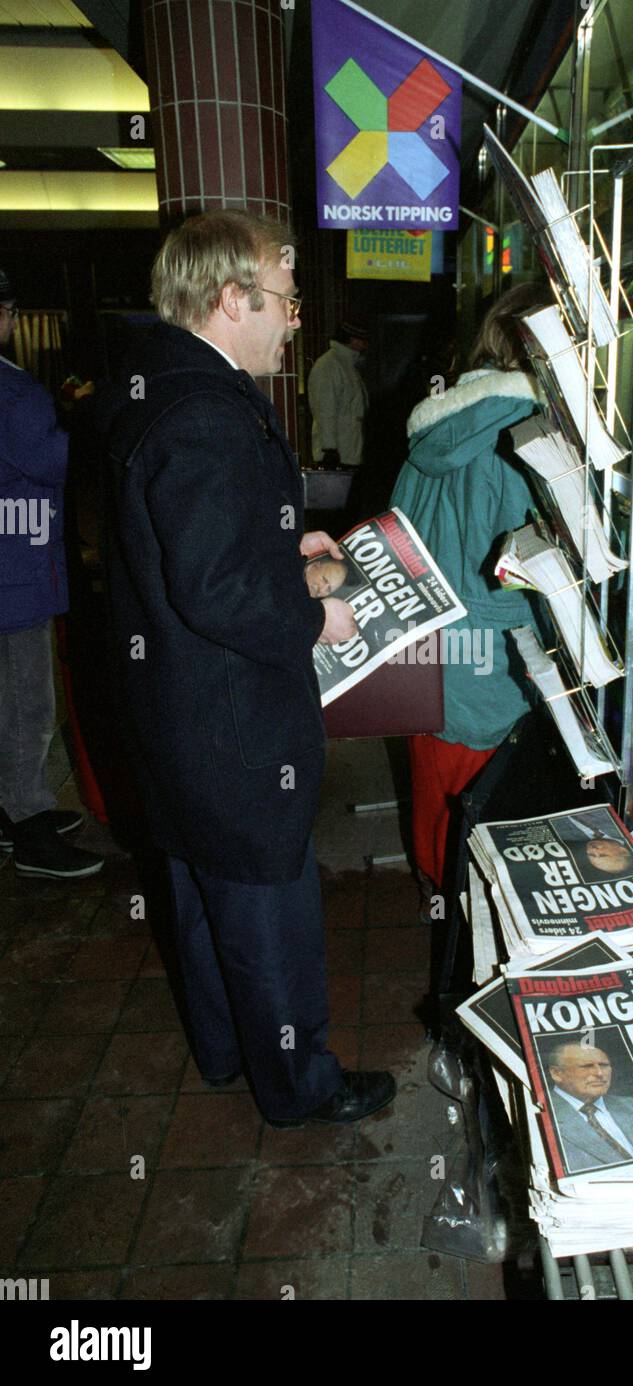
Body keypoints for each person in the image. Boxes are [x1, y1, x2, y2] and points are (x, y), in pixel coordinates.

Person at [95, 211, 395, 1128]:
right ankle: (300, 1089)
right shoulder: (208, 410)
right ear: (233, 299)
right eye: (285, 299)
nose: (294, 319)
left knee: (197, 890)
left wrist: (281, 545)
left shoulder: (148, 386)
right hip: (233, 726)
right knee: (269, 915)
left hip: (176, 710)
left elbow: (187, 550)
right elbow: (220, 592)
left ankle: (227, 1053)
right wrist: (313, 610)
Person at [390, 282, 552, 893]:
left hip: (426, 653)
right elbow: (535, 570)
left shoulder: (442, 420)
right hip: (495, 672)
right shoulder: (524, 436)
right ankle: (469, 953)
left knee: (438, 811)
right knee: (490, 838)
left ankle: (444, 921)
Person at [0, 268, 104, 879]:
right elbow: (55, 461)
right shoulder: (12, 393)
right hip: (14, 576)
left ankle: (11, 811)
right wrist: (82, 419)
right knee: (28, 704)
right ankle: (31, 823)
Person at [547, 1041, 633, 1172]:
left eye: (604, 1065)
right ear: (556, 1073)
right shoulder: (543, 1117)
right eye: (586, 1066)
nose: (599, 1073)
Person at [307, 322, 369, 469]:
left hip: (347, 450)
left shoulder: (345, 364)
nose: (366, 345)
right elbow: (325, 410)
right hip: (340, 452)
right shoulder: (329, 365)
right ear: (352, 340)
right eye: (363, 340)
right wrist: (329, 448)